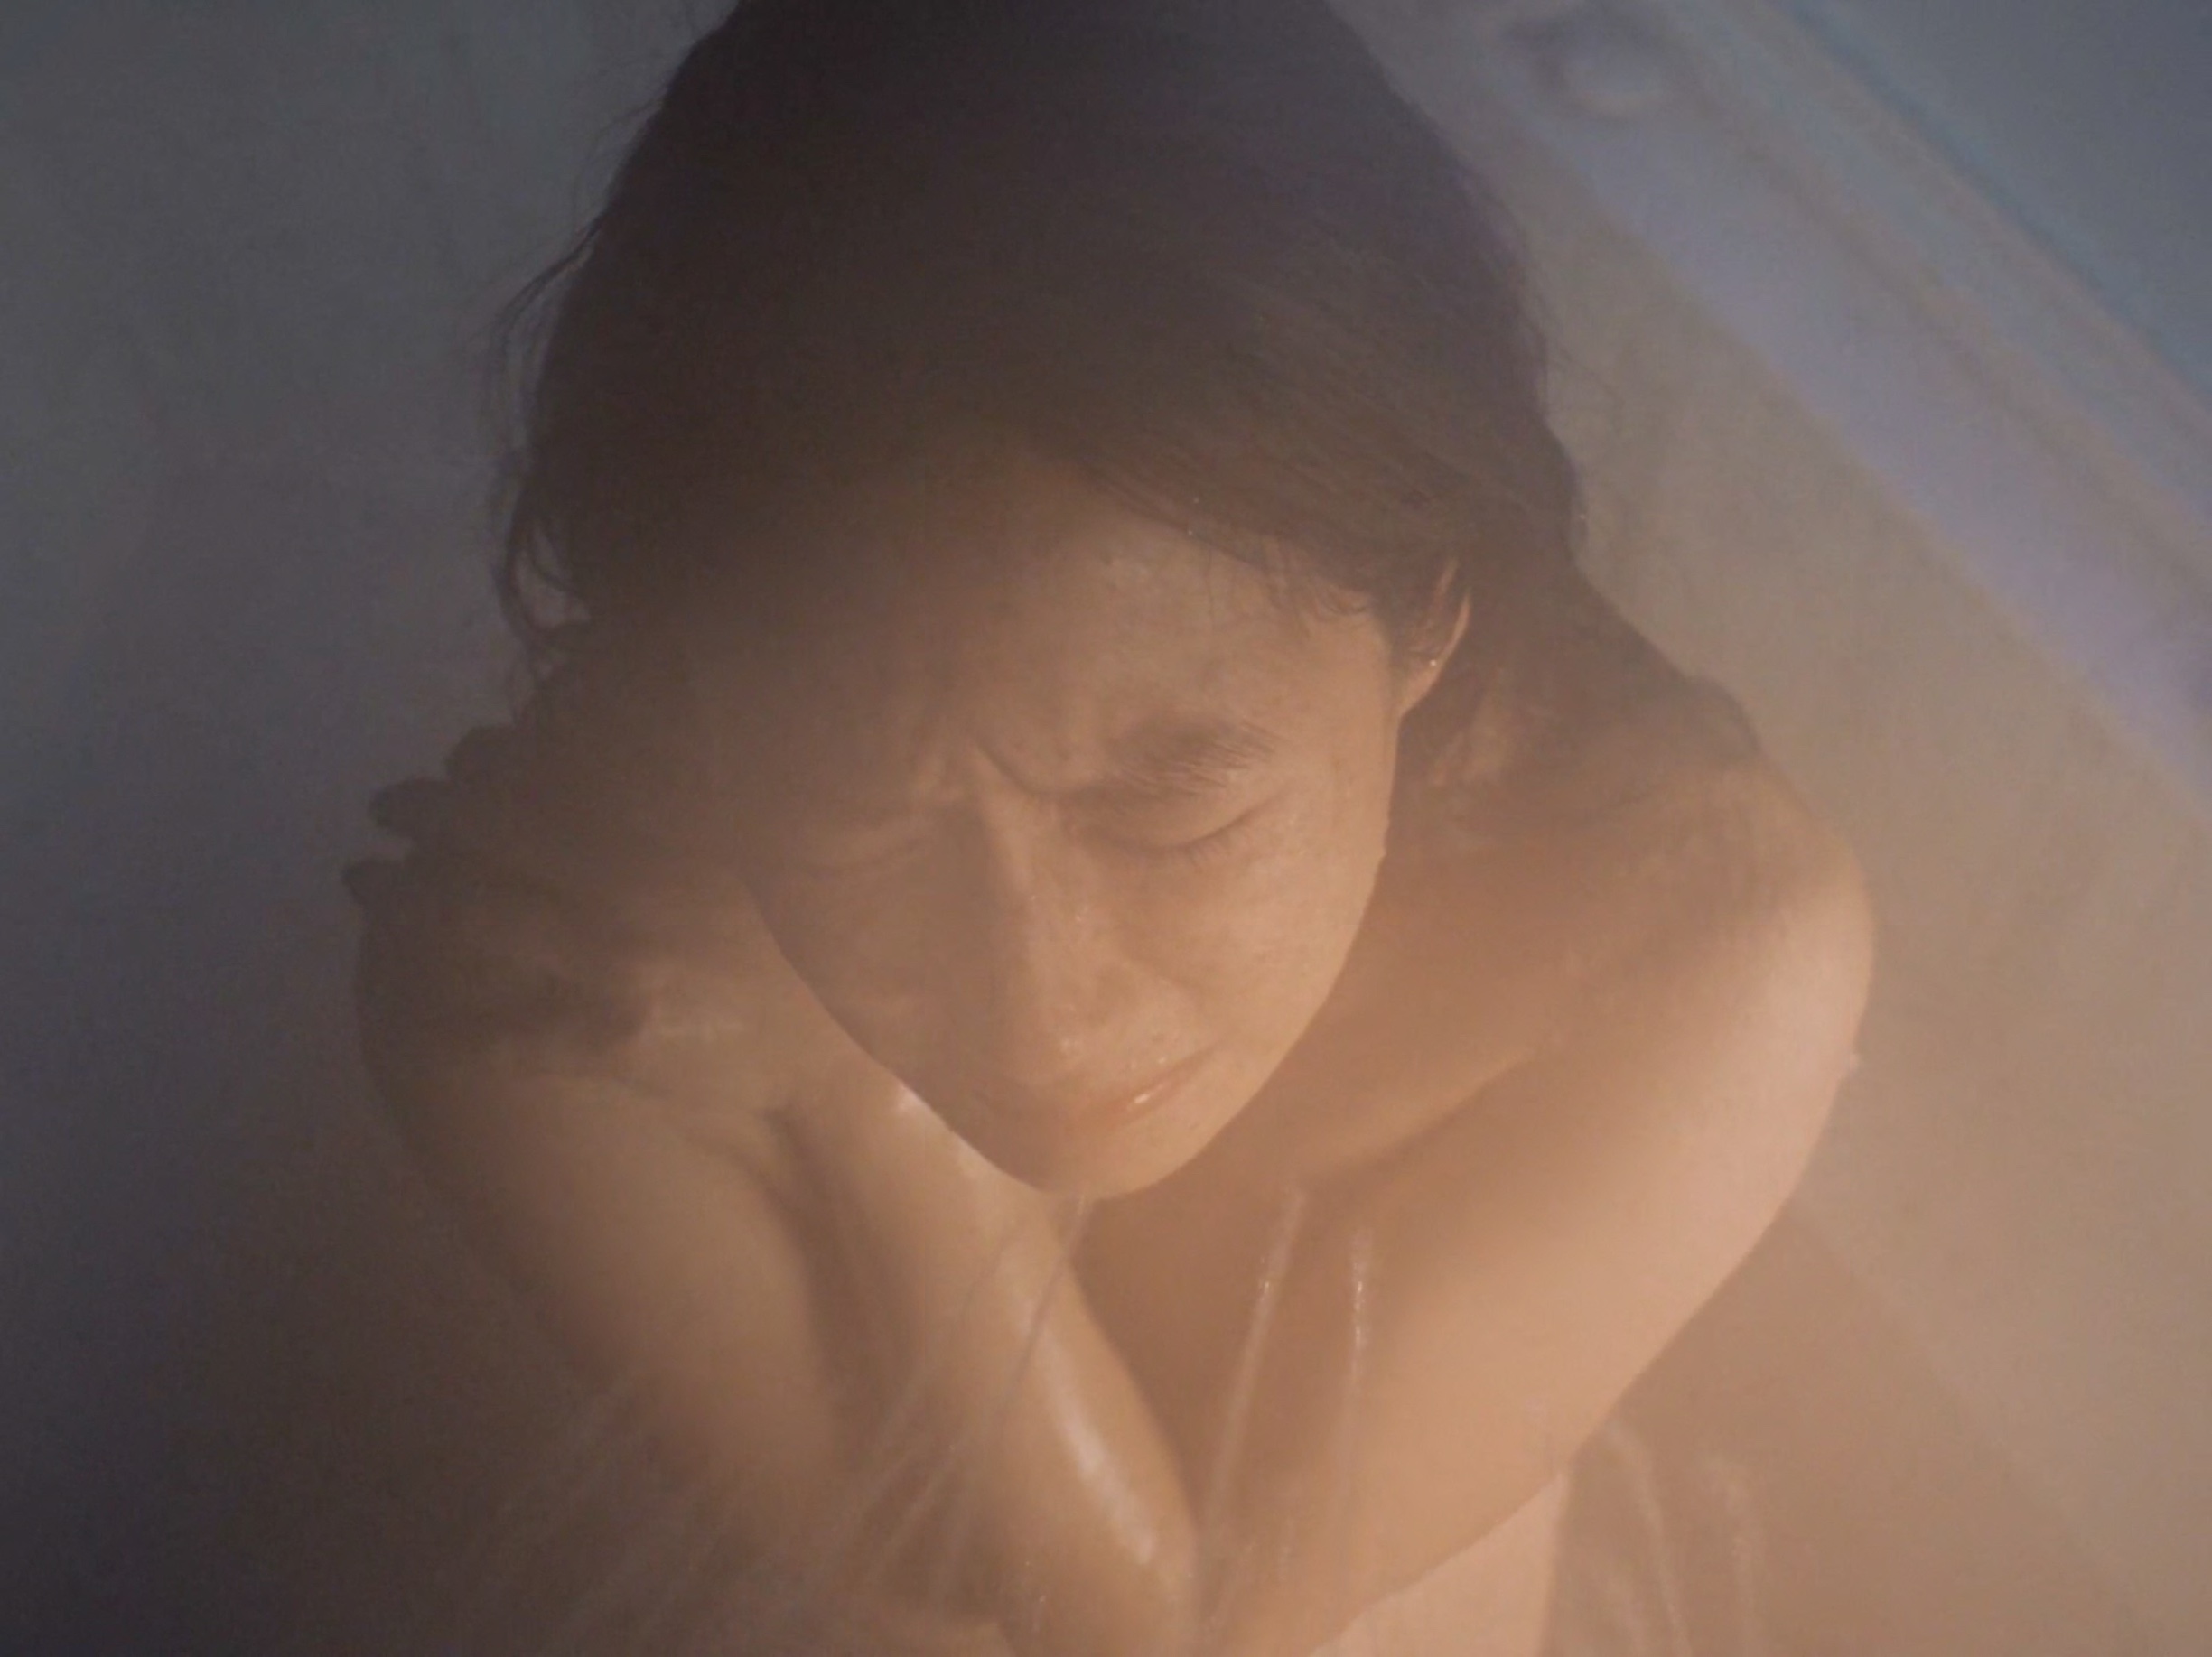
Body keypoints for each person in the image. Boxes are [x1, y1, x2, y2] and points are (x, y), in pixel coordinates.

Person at [347, 1, 1873, 1651]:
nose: (1041, 1018)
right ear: (698, 690)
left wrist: (862, 1107)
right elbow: (962, 1585)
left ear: (1424, 615)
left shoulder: (1689, 923)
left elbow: (1221, 1628)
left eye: (1172, 812)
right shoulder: (565, 962)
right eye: (863, 826)